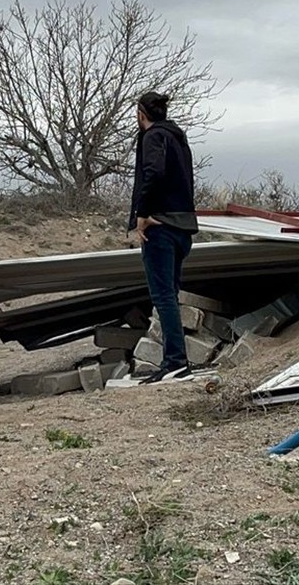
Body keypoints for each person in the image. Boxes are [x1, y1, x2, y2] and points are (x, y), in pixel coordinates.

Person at [128, 91, 199, 384]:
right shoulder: (178, 139)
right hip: (183, 227)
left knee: (163, 296)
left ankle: (175, 362)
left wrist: (142, 214)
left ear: (141, 114)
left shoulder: (153, 137)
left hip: (161, 227)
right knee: (170, 294)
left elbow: (152, 173)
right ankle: (177, 360)